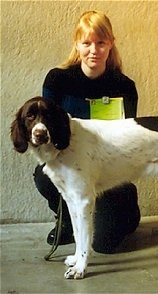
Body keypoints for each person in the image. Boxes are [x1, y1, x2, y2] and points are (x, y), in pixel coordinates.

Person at [33, 10, 140, 254]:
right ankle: (69, 220)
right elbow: (47, 126)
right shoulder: (57, 79)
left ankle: (127, 211)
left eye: (101, 43)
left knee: (104, 244)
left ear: (111, 43)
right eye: (87, 43)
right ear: (77, 44)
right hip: (70, 164)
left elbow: (128, 135)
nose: (94, 50)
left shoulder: (124, 86)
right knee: (43, 175)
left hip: (109, 167)